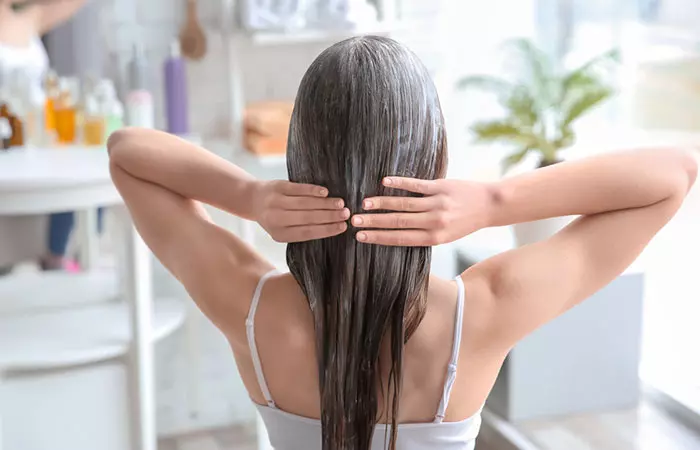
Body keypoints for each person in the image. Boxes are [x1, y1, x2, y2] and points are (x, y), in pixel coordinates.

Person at [107, 37, 697, 450]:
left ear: (301, 160)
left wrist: (248, 196)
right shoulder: (484, 311)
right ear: (433, 158)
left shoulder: (251, 308)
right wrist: (493, 202)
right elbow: (674, 173)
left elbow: (128, 152)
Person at [0, 0, 88, 273]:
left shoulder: (32, 17)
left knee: (81, 171)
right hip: (6, 135)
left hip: (39, 131)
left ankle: (56, 255)